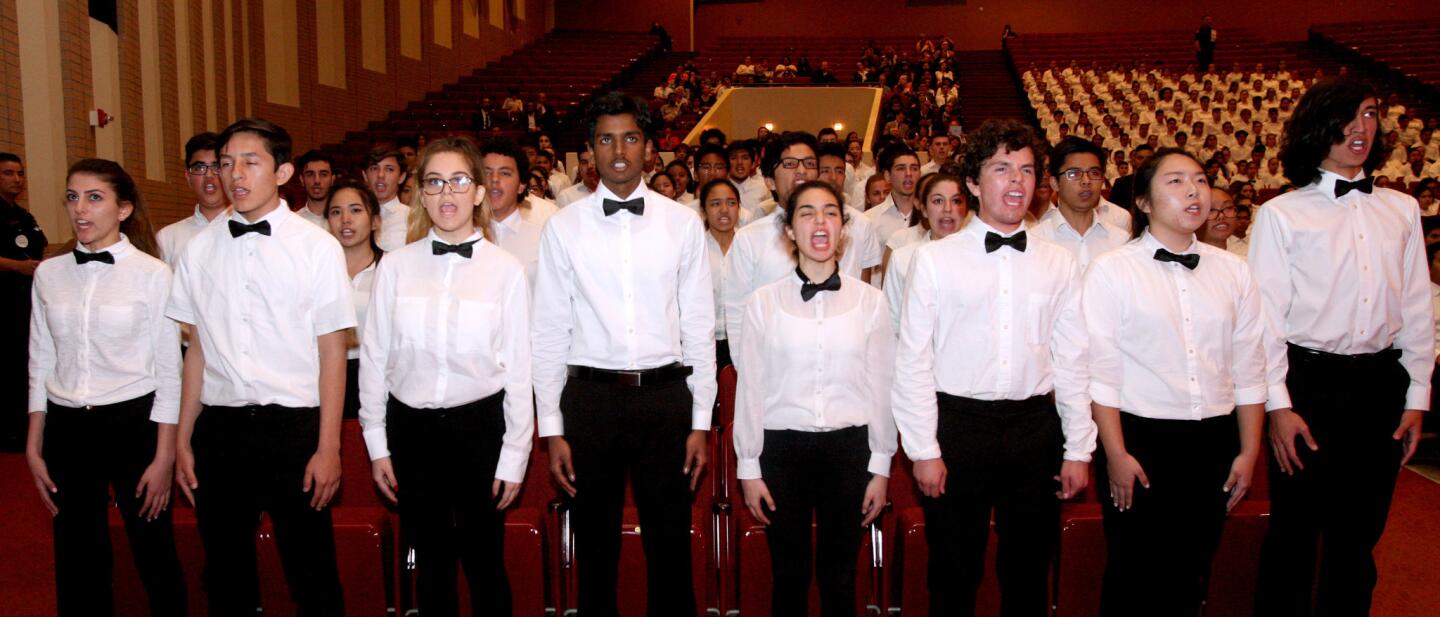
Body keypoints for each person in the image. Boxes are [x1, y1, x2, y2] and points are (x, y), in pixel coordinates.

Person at [892, 120, 1094, 617]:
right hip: (959, 426)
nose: (1016, 181)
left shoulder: (1059, 262)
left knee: (1028, 573)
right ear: (973, 183)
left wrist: (1079, 449)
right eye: (1001, 168)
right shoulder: (935, 261)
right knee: (954, 573)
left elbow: (1073, 361)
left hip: (1034, 428)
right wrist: (923, 448)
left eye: (1026, 170)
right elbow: (913, 360)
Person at [1252, 78, 1432, 617]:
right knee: (1294, 536)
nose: (1361, 127)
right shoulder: (1282, 214)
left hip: (1380, 383)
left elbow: (1417, 307)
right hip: (1308, 384)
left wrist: (1417, 396)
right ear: (1317, 127)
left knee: (1359, 539)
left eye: (1371, 114)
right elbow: (1264, 323)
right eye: (1347, 116)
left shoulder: (1401, 210)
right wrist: (1278, 406)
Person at [531, 93, 716, 617]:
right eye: (606, 139)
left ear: (650, 149)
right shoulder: (563, 228)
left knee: (670, 545)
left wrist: (700, 419)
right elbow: (548, 332)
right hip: (590, 401)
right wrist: (553, 427)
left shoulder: (683, 225)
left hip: (665, 399)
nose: (619, 149)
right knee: (594, 547)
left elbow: (700, 328)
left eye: (630, 137)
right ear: (590, 151)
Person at [169, 118, 351, 616]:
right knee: (225, 574)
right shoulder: (198, 249)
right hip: (220, 429)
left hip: (293, 427)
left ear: (283, 171)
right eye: (226, 163)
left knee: (311, 570)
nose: (234, 174)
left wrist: (329, 446)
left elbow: (333, 350)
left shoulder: (317, 247)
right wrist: (183, 440)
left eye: (251, 161)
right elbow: (198, 352)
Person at [1084, 148, 1266, 616]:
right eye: (1176, 181)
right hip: (1141, 438)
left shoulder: (1234, 271)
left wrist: (1247, 451)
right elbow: (1100, 372)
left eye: (1201, 180)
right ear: (1142, 202)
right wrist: (1116, 453)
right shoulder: (1112, 269)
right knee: (1132, 572)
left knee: (1193, 570)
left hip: (1214, 437)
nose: (1193, 191)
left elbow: (1248, 367)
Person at [360, 136, 533, 616]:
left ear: (478, 191)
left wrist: (515, 456)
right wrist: (378, 446)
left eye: (459, 181)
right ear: (421, 193)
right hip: (411, 430)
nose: (446, 193)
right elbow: (376, 359)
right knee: (430, 565)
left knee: (484, 563)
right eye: (434, 182)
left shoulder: (506, 271)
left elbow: (520, 369)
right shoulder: (394, 267)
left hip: (481, 430)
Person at [27, 158, 187, 616]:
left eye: (94, 197)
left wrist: (164, 456)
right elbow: (41, 359)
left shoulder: (153, 274)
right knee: (78, 558)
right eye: (72, 196)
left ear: (123, 210)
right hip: (65, 427)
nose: (80, 209)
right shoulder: (48, 273)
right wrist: (35, 443)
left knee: (152, 551)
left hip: (133, 424)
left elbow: (167, 371)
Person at [734, 180, 897, 616]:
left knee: (840, 575)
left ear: (843, 228)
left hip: (849, 449)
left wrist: (880, 465)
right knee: (788, 575)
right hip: (782, 450)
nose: (819, 221)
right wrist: (749, 467)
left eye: (830, 212)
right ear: (789, 230)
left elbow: (882, 388)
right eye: (806, 212)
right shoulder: (761, 304)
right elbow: (750, 389)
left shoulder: (872, 302)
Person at [725, 132, 877, 369]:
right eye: (789, 164)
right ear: (769, 181)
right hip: (775, 369)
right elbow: (738, 316)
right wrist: (748, 372)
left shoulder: (846, 228)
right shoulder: (750, 238)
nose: (801, 170)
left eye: (809, 163)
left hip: (841, 365)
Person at [0, 152, 48, 451]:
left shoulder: (23, 215)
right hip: (2, 301)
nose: (16, 179)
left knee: (22, 364)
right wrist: (17, 267)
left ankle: (21, 427)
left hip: (24, 301)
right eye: (8, 173)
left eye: (19, 173)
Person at [325, 177, 383, 420]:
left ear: (375, 221)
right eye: (336, 212)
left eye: (356, 210)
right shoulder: (318, 272)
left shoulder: (390, 270)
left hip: (376, 375)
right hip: (324, 374)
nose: (345, 220)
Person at [883, 173, 968, 333]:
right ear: (923, 209)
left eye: (956, 201)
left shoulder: (979, 258)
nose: (947, 209)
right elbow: (892, 323)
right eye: (938, 201)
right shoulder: (903, 258)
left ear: (965, 209)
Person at [1030, 137, 1131, 271]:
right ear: (1054, 183)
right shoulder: (1035, 239)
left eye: (1094, 173)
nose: (1086, 181)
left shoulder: (1120, 241)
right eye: (1074, 173)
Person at [484, 138, 557, 289]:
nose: (494, 179)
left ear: (522, 185)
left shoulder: (543, 240)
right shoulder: (462, 238)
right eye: (487, 172)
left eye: (504, 173)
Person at [158, 133, 231, 267]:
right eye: (199, 168)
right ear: (187, 176)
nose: (209, 175)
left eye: (216, 167)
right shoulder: (167, 238)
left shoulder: (249, 230)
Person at [700, 179, 741, 368]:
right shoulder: (695, 247)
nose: (724, 210)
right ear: (704, 210)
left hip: (743, 341)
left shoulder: (749, 245)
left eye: (731, 203)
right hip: (705, 343)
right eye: (716, 204)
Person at [865, 144, 923, 247]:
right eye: (901, 168)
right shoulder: (869, 220)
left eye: (914, 168)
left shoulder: (931, 216)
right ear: (887, 176)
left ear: (920, 174)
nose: (909, 173)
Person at [365, 147, 411, 252]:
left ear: (401, 177)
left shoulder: (412, 218)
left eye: (389, 169)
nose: (380, 175)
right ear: (365, 176)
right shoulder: (353, 217)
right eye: (374, 168)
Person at [295, 150, 336, 229]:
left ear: (332, 179)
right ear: (302, 180)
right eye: (310, 174)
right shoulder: (294, 222)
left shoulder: (342, 220)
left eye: (323, 174)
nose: (317, 180)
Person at [1197, 185, 1240, 254]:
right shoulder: (1185, 259)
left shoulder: (1248, 254)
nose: (1221, 215)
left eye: (1228, 207)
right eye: (1210, 210)